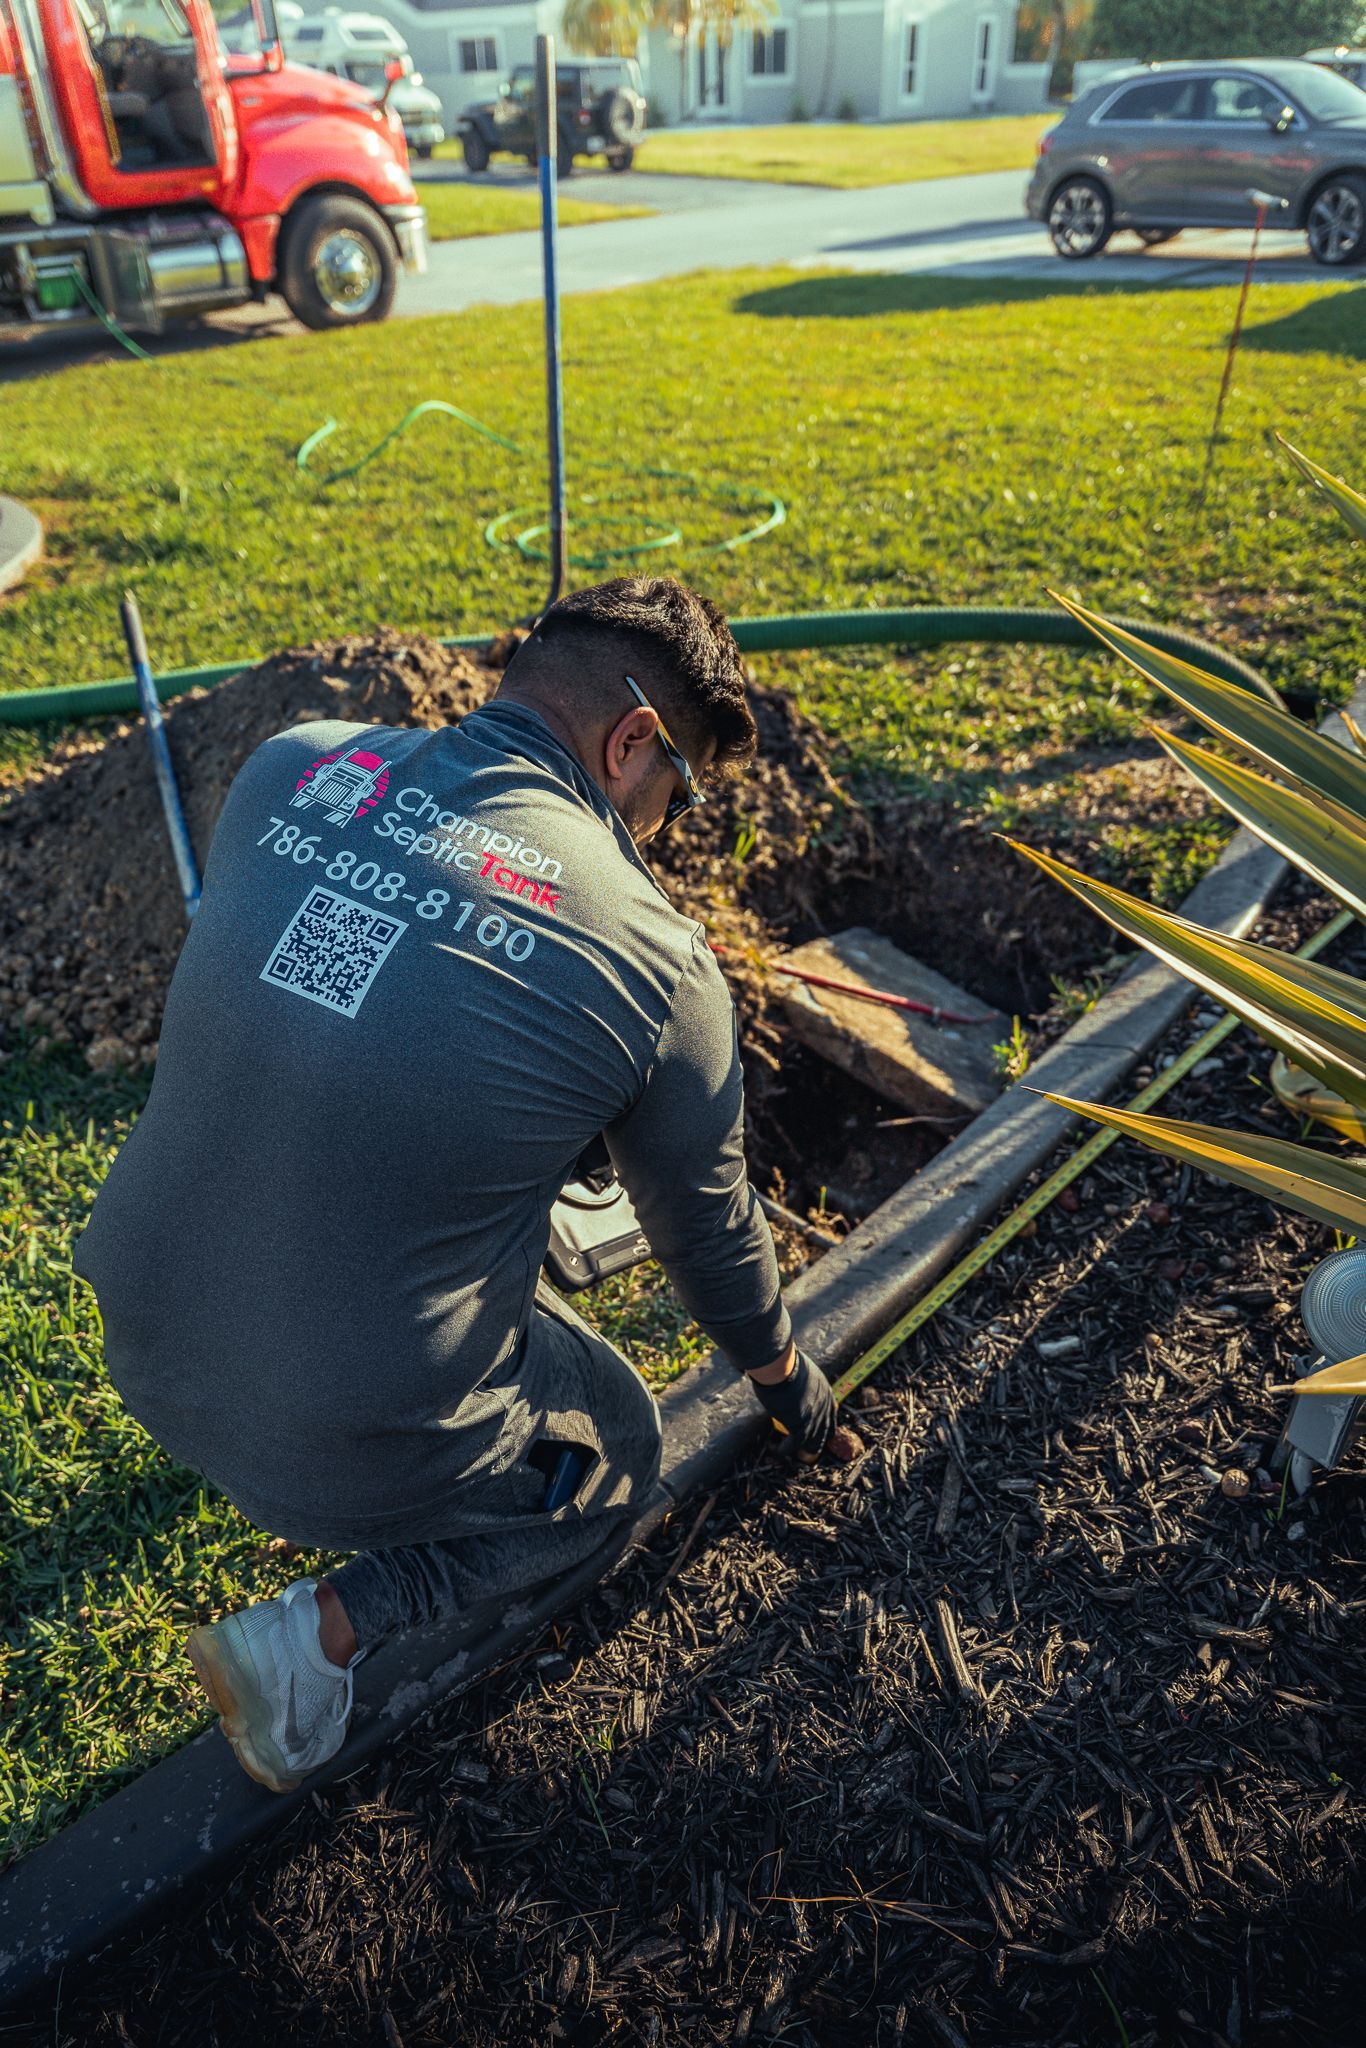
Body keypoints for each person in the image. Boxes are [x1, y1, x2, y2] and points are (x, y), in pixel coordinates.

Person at [74, 577, 856, 1796]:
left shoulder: (293, 768)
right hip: (330, 1430)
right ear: (633, 739)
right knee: (609, 1447)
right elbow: (705, 1234)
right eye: (677, 795)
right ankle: (313, 1639)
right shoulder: (657, 962)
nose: (663, 826)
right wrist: (783, 1377)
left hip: (138, 1328)